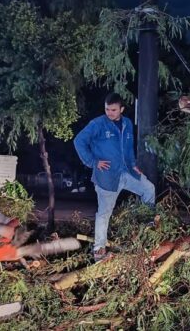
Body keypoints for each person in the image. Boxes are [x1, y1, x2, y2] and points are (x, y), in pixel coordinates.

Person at [74, 93, 155, 261]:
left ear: (121, 109)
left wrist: (133, 165)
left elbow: (128, 147)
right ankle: (99, 249)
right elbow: (79, 141)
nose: (109, 113)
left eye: (113, 110)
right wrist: (92, 162)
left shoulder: (126, 123)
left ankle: (147, 226)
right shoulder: (97, 124)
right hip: (107, 176)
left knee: (149, 188)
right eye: (107, 109)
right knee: (104, 213)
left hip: (126, 172)